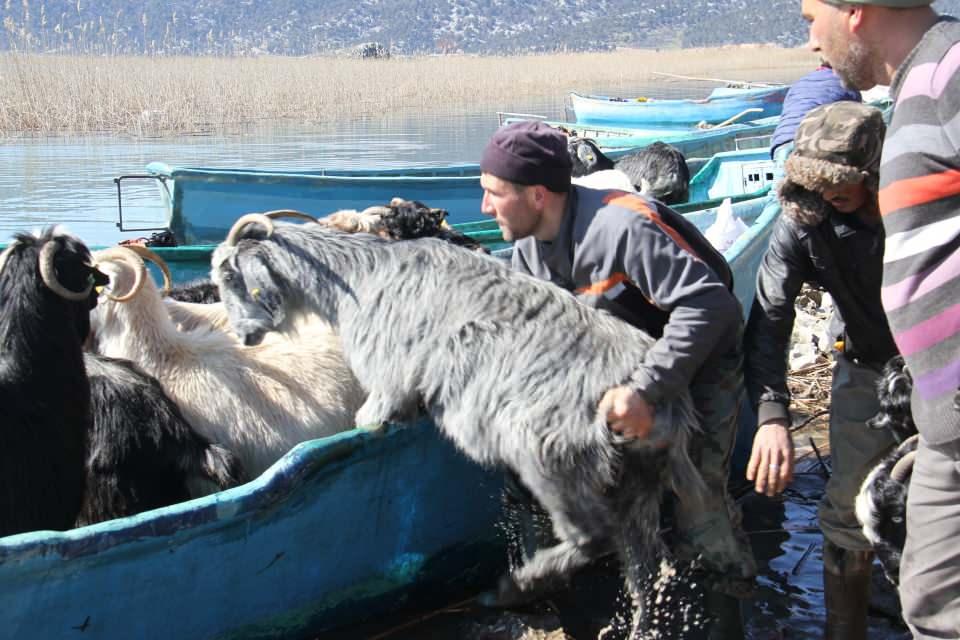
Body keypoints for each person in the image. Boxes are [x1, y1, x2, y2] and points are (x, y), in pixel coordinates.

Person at [479, 120, 755, 639]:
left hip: (698, 360)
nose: (484, 209)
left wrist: (647, 390)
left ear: (537, 194)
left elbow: (710, 304)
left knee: (697, 511)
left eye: (493, 194)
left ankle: (726, 616)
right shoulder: (529, 248)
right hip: (617, 367)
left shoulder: (621, 229)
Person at [801, 0, 960, 636]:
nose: (812, 41)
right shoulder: (919, 87)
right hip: (941, 419)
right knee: (930, 606)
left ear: (856, 11)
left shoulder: (950, 70)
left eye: (812, 17)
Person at [743, 101, 897, 639]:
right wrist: (770, 416)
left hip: (942, 364)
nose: (828, 200)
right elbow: (768, 320)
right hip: (867, 368)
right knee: (846, 519)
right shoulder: (803, 221)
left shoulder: (927, 204)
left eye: (841, 189)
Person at [769, 62, 862, 168]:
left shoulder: (800, 82)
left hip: (782, 143)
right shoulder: (845, 84)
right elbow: (856, 121)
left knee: (781, 183)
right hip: (810, 144)